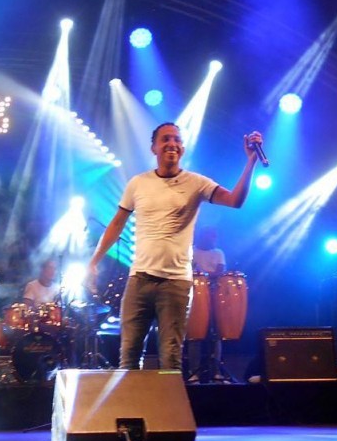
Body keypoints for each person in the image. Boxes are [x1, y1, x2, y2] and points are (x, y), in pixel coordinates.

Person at [88, 122, 263, 372]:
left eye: (177, 140)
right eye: (166, 139)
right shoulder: (138, 183)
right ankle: (133, 399)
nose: (172, 143)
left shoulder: (196, 182)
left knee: (170, 360)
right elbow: (116, 224)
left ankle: (167, 399)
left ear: (182, 148)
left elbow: (235, 200)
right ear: (153, 148)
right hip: (139, 280)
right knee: (128, 358)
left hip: (175, 283)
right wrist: (94, 260)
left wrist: (251, 161)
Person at [188, 226, 228, 382]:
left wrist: (205, 274)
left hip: (214, 295)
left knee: (216, 333)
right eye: (209, 236)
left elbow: (220, 271)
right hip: (195, 295)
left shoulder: (218, 253)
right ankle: (193, 371)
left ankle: (216, 370)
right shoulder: (191, 251)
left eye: (214, 237)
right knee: (195, 334)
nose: (212, 239)